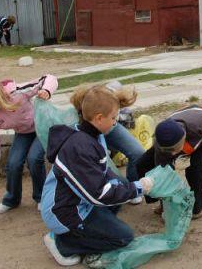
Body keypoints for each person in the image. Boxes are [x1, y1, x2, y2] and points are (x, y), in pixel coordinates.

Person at [40, 85, 154, 266]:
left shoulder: (88, 135)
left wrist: (128, 188)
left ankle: (92, 231)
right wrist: (137, 188)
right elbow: (98, 195)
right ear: (99, 118)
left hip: (75, 202)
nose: (115, 122)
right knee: (123, 238)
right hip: (64, 212)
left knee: (118, 187)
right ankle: (62, 243)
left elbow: (102, 175)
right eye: (113, 118)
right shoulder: (80, 147)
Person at [0, 74, 57, 214]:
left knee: (34, 158)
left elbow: (48, 78)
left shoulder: (17, 94)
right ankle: (12, 199)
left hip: (43, 127)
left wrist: (46, 90)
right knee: (13, 163)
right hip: (23, 133)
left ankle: (41, 197)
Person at [136, 104, 202, 219]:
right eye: (168, 151)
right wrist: (167, 203)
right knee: (144, 164)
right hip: (178, 133)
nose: (173, 154)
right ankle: (163, 202)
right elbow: (163, 172)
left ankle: (198, 205)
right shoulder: (160, 140)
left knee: (197, 170)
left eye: (174, 150)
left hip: (200, 135)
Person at [71, 81, 145, 202]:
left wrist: (113, 120)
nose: (116, 119)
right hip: (91, 129)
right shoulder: (86, 105)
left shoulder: (112, 107)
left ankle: (132, 189)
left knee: (137, 152)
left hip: (107, 126)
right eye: (114, 116)